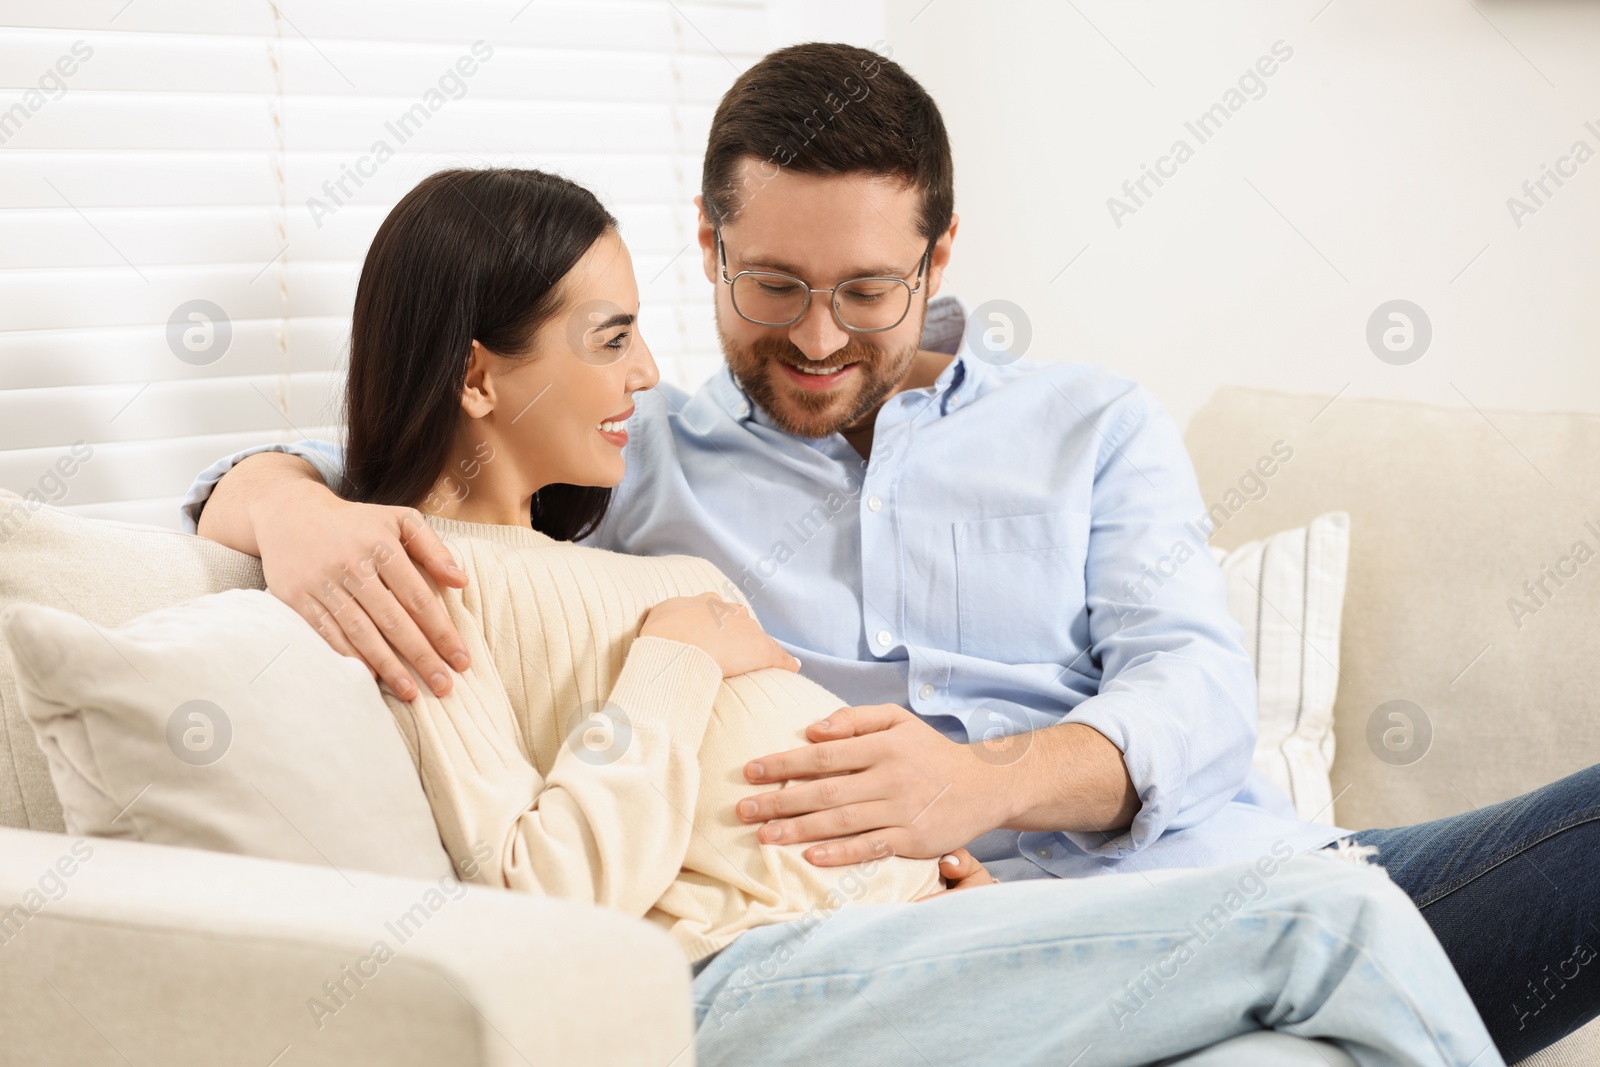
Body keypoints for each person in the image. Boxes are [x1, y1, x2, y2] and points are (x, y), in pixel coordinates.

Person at [182, 43, 1595, 1063]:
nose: (811, 339)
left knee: (1400, 889)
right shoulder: (631, 448)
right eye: (771, 287)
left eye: (862, 292)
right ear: (708, 244)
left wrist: (980, 788)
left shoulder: (1088, 423)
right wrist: (276, 500)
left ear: (939, 257)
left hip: (1208, 874)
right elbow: (420, 455)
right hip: (912, 954)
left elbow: (1196, 698)